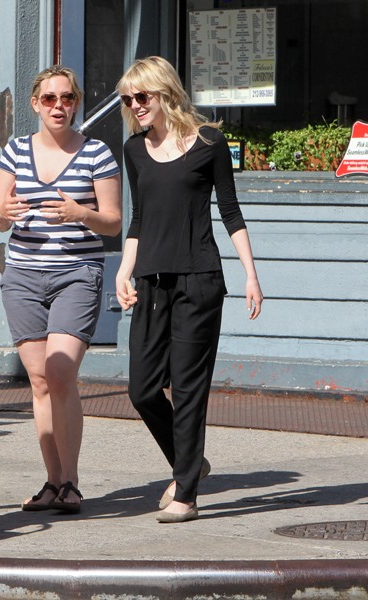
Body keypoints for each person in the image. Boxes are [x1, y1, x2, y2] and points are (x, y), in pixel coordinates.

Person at [115, 56, 264, 523]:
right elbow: (139, 218)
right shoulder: (134, 150)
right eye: (128, 99)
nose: (135, 105)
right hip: (151, 282)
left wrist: (251, 274)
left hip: (198, 280)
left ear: (164, 93)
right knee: (142, 389)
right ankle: (190, 462)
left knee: (187, 387)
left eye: (142, 96)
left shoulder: (209, 143)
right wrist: (124, 271)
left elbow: (230, 211)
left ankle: (187, 494)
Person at [0, 65, 122, 513]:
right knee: (40, 380)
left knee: (61, 373)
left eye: (67, 98)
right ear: (35, 104)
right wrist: (4, 213)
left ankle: (71, 481)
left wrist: (79, 213)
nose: (59, 106)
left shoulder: (97, 153)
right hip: (23, 276)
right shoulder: (15, 150)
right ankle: (52, 482)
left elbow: (114, 222)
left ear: (76, 103)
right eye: (49, 99)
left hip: (76, 274)